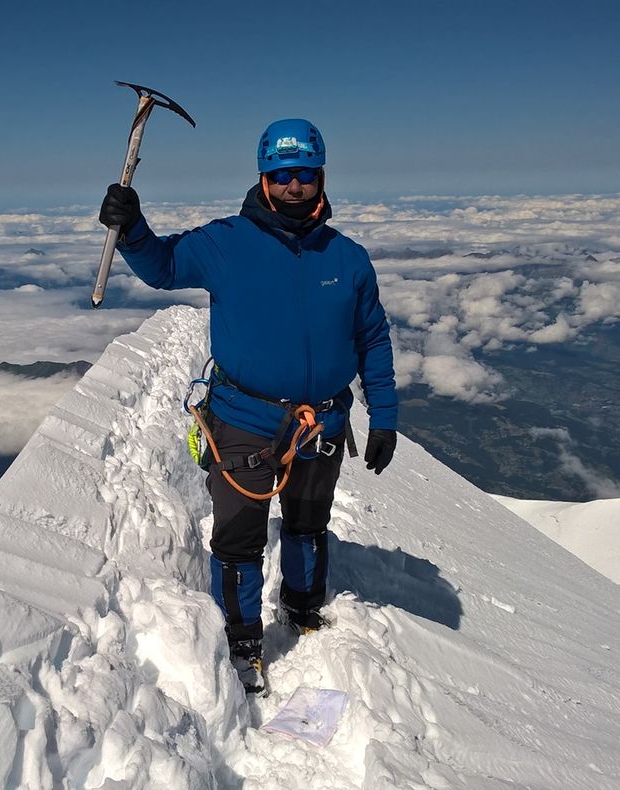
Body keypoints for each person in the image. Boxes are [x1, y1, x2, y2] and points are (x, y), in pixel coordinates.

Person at [99, 118, 398, 692]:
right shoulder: (226, 243)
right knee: (238, 540)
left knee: (309, 525)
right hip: (243, 420)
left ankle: (304, 609)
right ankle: (241, 642)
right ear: (264, 178)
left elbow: (373, 340)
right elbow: (163, 266)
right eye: (281, 175)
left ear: (321, 176)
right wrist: (131, 226)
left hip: (323, 422)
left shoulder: (349, 259)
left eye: (304, 174)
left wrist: (382, 416)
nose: (293, 186)